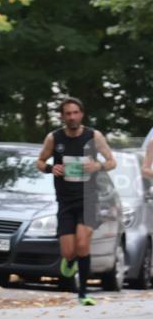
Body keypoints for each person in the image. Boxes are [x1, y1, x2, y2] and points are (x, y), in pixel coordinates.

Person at [36, 97, 117, 306]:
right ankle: (69, 261)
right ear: (62, 116)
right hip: (65, 200)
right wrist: (50, 168)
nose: (72, 117)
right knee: (68, 251)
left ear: (81, 114)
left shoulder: (94, 136)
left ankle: (83, 293)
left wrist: (97, 167)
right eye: (67, 113)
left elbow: (111, 161)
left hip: (89, 199)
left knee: (83, 244)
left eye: (75, 113)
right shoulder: (54, 138)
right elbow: (40, 161)